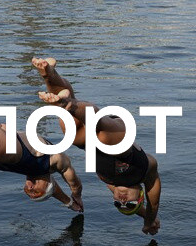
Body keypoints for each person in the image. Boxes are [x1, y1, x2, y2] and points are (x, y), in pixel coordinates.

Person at [32, 57, 162, 235]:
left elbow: (125, 200)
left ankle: (49, 73)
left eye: (118, 204)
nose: (122, 200)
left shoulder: (109, 182)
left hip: (87, 143)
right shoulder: (146, 172)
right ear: (140, 196)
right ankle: (68, 103)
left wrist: (136, 212)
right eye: (129, 203)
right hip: (118, 136)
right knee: (100, 129)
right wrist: (149, 220)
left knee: (67, 122)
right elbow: (153, 203)